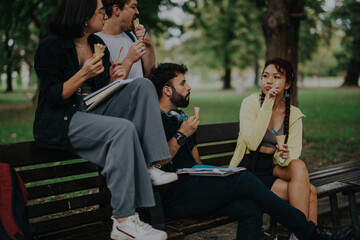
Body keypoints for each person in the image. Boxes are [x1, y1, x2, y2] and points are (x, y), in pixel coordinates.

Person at [148, 63, 356, 240]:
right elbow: (159, 163)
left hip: (194, 187)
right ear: (167, 90)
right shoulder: (154, 120)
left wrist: (217, 174)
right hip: (172, 198)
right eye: (183, 83)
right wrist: (181, 135)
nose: (189, 87)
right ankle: (310, 234)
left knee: (249, 206)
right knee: (245, 180)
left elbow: (196, 163)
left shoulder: (181, 119)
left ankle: (308, 233)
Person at [33, 0, 176, 239]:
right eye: (100, 11)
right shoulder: (51, 46)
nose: (104, 15)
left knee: (142, 85)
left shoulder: (97, 43)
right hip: (65, 118)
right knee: (123, 130)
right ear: (83, 15)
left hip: (93, 110)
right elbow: (51, 97)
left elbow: (101, 92)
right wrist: (83, 74)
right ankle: (123, 220)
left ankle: (151, 163)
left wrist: (113, 79)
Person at [229, 58, 317, 239]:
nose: (269, 81)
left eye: (276, 77)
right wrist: (267, 104)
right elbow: (252, 143)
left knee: (298, 165)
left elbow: (290, 156)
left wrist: (284, 156)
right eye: (265, 76)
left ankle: (299, 235)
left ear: (288, 83)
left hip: (272, 167)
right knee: (310, 192)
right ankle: (304, 234)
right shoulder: (250, 104)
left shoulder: (293, 114)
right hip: (248, 170)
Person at [96, 0, 155, 79]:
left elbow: (150, 74)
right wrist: (129, 59)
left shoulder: (130, 35)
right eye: (133, 7)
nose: (137, 12)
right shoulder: (96, 42)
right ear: (117, 10)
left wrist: (148, 45)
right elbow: (105, 84)